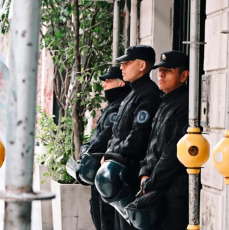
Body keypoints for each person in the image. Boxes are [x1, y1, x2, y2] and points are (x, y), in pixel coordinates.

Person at [102, 45, 161, 230]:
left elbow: (138, 137)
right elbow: (117, 132)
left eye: (127, 63)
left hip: (132, 170)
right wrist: (110, 152)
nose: (122, 67)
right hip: (120, 171)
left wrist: (113, 153)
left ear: (142, 65)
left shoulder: (148, 94)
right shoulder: (132, 93)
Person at [138, 51, 190, 230]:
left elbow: (173, 151)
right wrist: (145, 172)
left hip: (174, 189)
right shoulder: (164, 103)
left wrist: (150, 182)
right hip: (157, 186)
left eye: (167, 70)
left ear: (183, 75)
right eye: (159, 70)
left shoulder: (186, 105)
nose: (160, 74)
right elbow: (151, 145)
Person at [79, 66, 131, 230]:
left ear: (121, 83)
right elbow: (97, 135)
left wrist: (88, 151)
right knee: (99, 215)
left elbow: (104, 137)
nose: (104, 85)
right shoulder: (112, 106)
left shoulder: (118, 107)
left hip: (108, 172)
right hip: (101, 171)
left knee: (106, 218)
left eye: (108, 81)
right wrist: (86, 148)